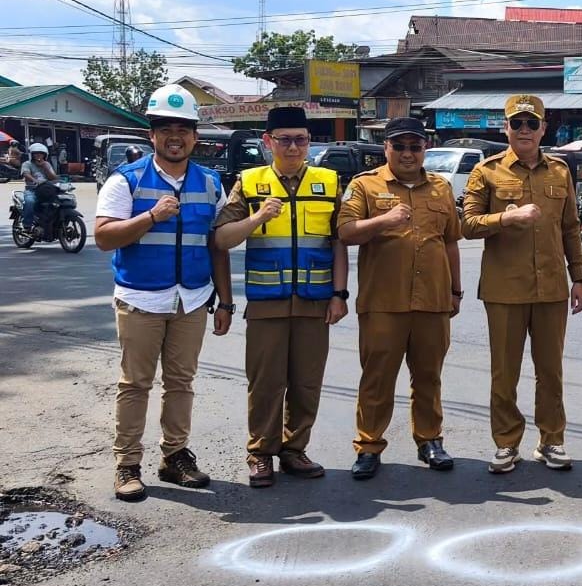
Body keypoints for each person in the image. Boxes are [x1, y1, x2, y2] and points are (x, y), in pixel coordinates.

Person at [94, 84, 233, 503]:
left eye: (184, 128)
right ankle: (127, 464)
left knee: (181, 383)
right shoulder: (126, 180)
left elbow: (218, 244)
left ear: (195, 136)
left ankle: (174, 456)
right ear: (151, 135)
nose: (175, 136)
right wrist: (151, 216)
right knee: (135, 383)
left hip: (192, 299)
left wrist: (225, 300)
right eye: (165, 128)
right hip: (141, 299)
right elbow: (103, 237)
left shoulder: (210, 184)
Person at [212, 106, 349, 488]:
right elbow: (220, 240)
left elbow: (339, 242)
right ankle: (260, 452)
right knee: (266, 382)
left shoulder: (328, 181)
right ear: (268, 142)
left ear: (309, 142)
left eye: (300, 140)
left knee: (307, 381)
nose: (293, 147)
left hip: (315, 299)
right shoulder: (250, 183)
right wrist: (256, 219)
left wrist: (340, 293)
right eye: (284, 140)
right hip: (267, 301)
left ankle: (294, 449)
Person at [462, 94, 582, 474]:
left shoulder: (560, 171)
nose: (524, 130)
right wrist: (504, 219)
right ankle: (506, 443)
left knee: (550, 370)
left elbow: (570, 228)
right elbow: (466, 225)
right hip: (504, 289)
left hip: (551, 287)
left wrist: (578, 276)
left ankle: (551, 440)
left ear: (544, 128)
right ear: (506, 128)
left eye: (532, 124)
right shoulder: (486, 171)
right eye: (517, 124)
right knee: (505, 371)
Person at [337, 117, 463, 480]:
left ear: (425, 149)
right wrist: (384, 221)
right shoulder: (365, 186)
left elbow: (451, 241)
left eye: (415, 146)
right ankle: (368, 445)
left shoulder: (440, 188)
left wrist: (455, 290)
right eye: (400, 146)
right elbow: (345, 232)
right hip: (383, 303)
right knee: (377, 378)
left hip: (433, 301)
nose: (408, 153)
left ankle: (429, 440)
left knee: (428, 376)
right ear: (386, 148)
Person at [20, 142, 58, 231]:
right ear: (32, 155)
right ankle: (27, 225)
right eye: (36, 153)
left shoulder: (47, 164)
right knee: (30, 202)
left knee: (57, 202)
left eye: (41, 153)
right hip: (32, 190)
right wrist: (34, 180)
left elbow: (53, 178)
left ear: (45, 155)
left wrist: (45, 167)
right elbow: (26, 174)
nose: (38, 155)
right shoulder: (27, 164)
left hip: (46, 190)